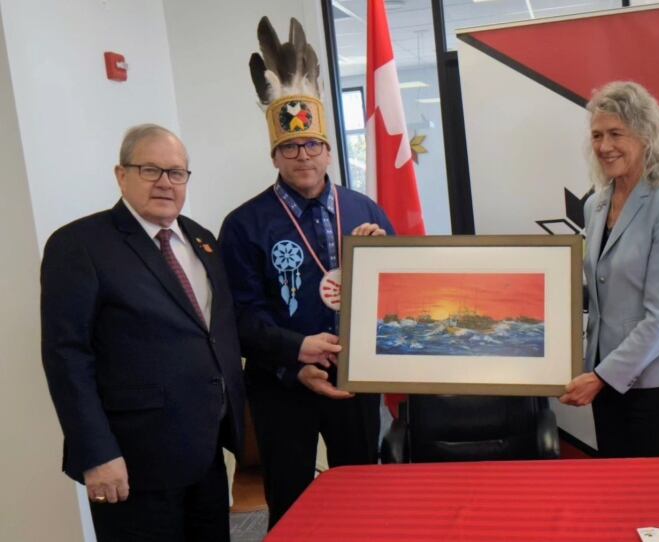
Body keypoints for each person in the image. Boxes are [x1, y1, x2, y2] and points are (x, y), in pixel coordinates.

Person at [219, 16, 395, 529]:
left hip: (356, 381)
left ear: (328, 149)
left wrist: (383, 259)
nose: (303, 156)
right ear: (275, 152)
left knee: (363, 496)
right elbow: (241, 317)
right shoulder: (244, 224)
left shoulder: (365, 210)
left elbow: (399, 297)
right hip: (282, 385)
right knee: (292, 502)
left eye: (312, 144)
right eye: (290, 147)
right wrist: (295, 358)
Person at [41, 124, 245, 541]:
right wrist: (97, 453)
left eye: (176, 173)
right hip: (134, 462)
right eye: (150, 170)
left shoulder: (201, 239)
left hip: (205, 449)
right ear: (121, 175)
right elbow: (67, 356)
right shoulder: (79, 244)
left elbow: (214, 331)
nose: (165, 183)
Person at [559, 81, 659, 458]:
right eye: (596, 135)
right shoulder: (595, 204)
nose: (604, 146)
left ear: (645, 135)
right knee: (619, 496)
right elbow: (601, 290)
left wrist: (602, 376)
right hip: (608, 380)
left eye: (615, 134)